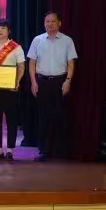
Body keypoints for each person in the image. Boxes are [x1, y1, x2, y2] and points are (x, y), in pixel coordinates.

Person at [27, 11, 77, 161]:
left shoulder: (67, 40)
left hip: (60, 82)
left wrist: (68, 80)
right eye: (47, 21)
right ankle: (44, 150)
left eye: (53, 21)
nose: (50, 24)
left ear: (59, 23)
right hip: (42, 82)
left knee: (60, 117)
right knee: (44, 117)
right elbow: (32, 62)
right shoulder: (37, 40)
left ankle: (61, 151)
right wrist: (33, 82)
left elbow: (71, 63)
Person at [0, 18, 25, 161]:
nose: (0, 31)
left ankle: (10, 150)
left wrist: (17, 81)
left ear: (9, 31)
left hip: (10, 90)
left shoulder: (16, 48)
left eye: (3, 28)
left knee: (11, 120)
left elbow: (21, 67)